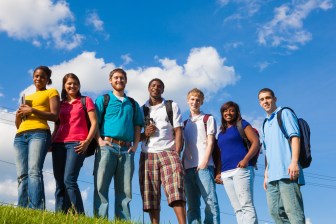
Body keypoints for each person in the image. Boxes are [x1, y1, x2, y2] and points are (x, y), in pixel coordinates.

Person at [93, 68, 143, 220]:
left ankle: (123, 221)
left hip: (127, 150)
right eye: (116, 78)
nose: (119, 80)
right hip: (107, 146)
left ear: (126, 81)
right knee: (101, 186)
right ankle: (100, 220)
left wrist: (135, 146)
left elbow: (137, 126)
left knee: (125, 189)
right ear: (110, 80)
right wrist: (99, 141)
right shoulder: (104, 100)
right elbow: (95, 122)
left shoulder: (133, 104)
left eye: (122, 78)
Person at [139, 78, 186, 224]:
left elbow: (178, 130)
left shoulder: (171, 106)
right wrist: (145, 133)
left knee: (176, 190)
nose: (156, 88)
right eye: (153, 85)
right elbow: (136, 136)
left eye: (159, 86)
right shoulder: (142, 109)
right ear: (148, 88)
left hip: (168, 151)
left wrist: (177, 152)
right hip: (148, 154)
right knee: (150, 194)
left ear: (163, 90)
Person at [14, 65, 60, 209]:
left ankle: (37, 209)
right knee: (22, 175)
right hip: (21, 135)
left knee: (34, 171)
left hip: (39, 133)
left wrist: (32, 110)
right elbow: (19, 124)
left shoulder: (52, 92)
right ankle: (22, 208)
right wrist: (18, 115)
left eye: (42, 76)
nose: (38, 78)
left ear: (47, 79)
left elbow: (55, 116)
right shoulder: (27, 97)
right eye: (36, 76)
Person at [51, 73, 97, 214]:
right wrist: (50, 142)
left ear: (79, 86)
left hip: (77, 143)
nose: (72, 86)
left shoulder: (85, 100)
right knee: (59, 183)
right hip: (58, 144)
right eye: (69, 83)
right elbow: (57, 126)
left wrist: (87, 142)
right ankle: (60, 215)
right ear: (64, 86)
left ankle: (79, 215)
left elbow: (95, 123)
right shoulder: (60, 103)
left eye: (75, 83)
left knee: (69, 180)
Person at [258, 88, 305, 223]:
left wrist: (294, 162)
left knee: (294, 212)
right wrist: (266, 174)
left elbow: (295, 137)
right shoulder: (265, 123)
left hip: (287, 171)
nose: (265, 101)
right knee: (275, 213)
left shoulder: (285, 113)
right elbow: (267, 151)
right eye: (262, 99)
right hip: (272, 176)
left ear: (275, 99)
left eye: (268, 98)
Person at [217, 101, 259, 224]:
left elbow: (255, 142)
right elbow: (220, 154)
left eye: (231, 110)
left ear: (236, 112)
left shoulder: (243, 124)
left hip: (241, 169)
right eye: (225, 111)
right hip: (226, 173)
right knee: (237, 209)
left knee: (246, 205)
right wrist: (219, 172)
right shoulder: (221, 133)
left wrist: (246, 159)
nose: (228, 113)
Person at [182, 88, 220, 224]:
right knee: (192, 206)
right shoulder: (184, 123)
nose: (195, 102)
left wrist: (204, 162)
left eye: (198, 100)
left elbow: (211, 142)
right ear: (187, 101)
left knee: (210, 202)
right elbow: (185, 146)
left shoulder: (208, 119)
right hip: (187, 169)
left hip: (204, 166)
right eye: (192, 99)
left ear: (202, 102)